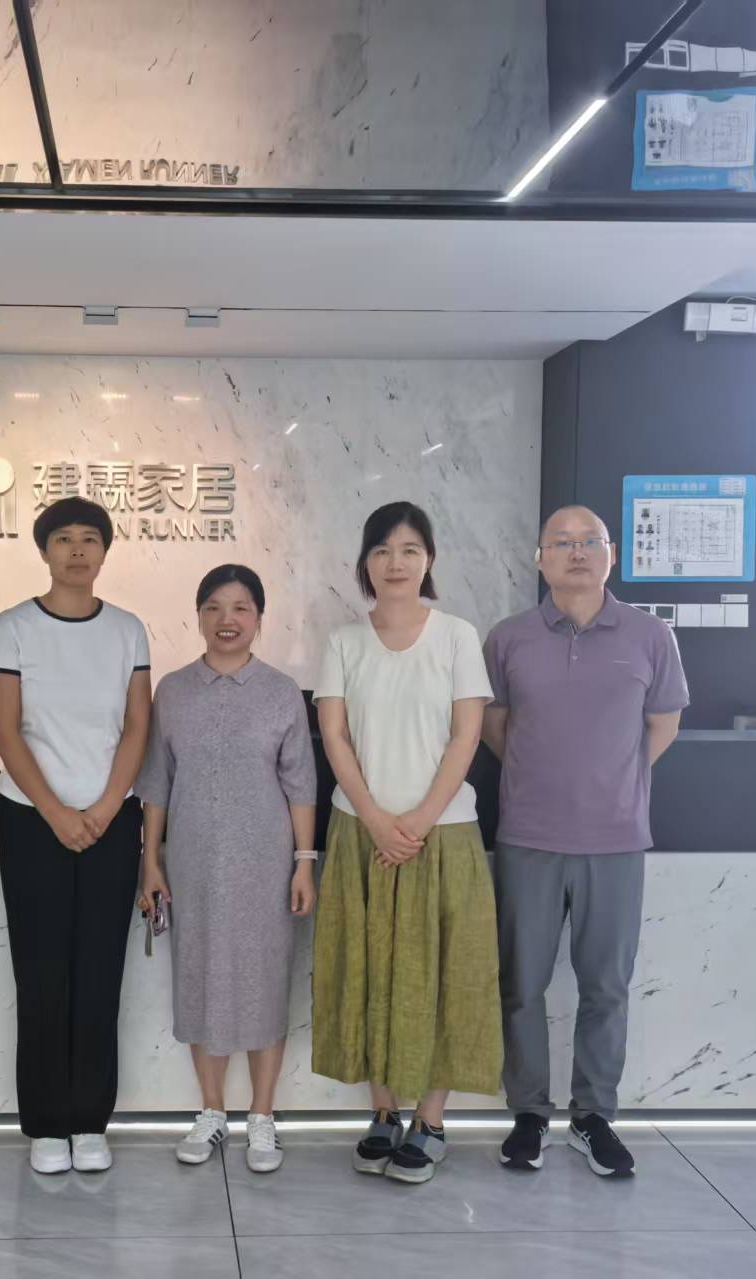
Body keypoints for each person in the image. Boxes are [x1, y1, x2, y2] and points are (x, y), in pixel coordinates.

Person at [481, 505, 688, 1180]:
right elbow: (494, 724)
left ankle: (593, 1115)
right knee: (522, 983)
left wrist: (613, 778)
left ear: (612, 554)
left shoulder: (650, 635)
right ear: (539, 557)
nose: (576, 552)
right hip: (529, 835)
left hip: (615, 838)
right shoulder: (508, 638)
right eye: (562, 542)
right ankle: (529, 1114)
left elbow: (663, 723)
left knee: (607, 985)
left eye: (589, 541)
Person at [312, 501, 502, 1186]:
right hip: (360, 831)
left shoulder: (456, 636)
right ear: (365, 562)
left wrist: (418, 819)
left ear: (429, 560)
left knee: (448, 973)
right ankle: (384, 1112)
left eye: (410, 549)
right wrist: (373, 818)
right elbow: (334, 736)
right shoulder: (343, 642)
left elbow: (466, 735)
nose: (396, 562)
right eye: (382, 550)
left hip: (443, 833)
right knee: (369, 969)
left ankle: (432, 1120)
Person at [0, 496, 152, 1175]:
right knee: (42, 972)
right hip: (32, 818)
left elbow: (138, 726)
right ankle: (47, 1123)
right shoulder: (13, 627)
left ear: (105, 551)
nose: (77, 550)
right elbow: (6, 730)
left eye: (89, 539)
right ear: (44, 550)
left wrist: (107, 806)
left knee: (99, 974)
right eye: (63, 538)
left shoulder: (128, 630)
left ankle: (89, 1120)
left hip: (113, 817)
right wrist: (55, 810)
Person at [137, 565, 319, 1174]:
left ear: (259, 619)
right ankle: (212, 1111)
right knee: (199, 979)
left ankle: (262, 1116)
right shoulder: (173, 691)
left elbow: (301, 785)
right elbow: (157, 782)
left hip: (266, 864)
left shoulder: (281, 692)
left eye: (241, 607)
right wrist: (151, 861)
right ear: (198, 616)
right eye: (214, 606)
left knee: (265, 982)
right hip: (190, 863)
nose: (227, 619)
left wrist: (303, 863)